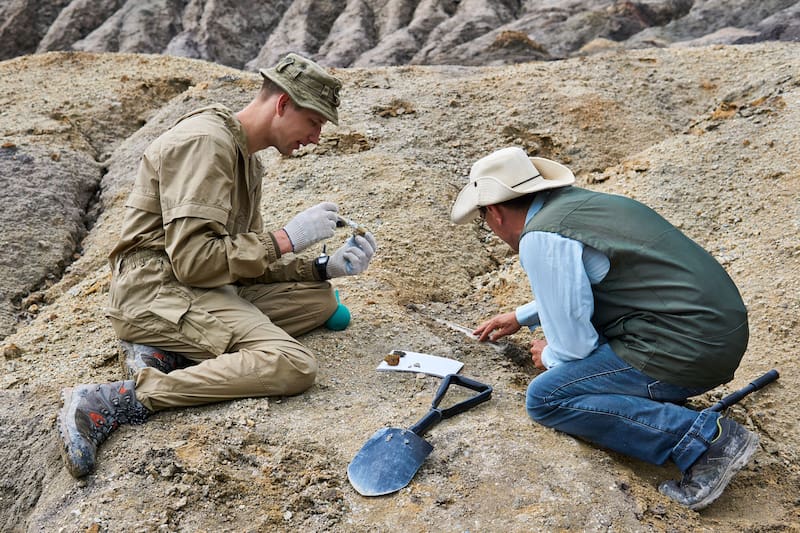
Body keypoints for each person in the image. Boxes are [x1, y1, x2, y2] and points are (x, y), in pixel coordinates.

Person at [57, 53, 377, 478]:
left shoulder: (246, 158)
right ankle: (116, 398)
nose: (316, 137)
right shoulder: (207, 143)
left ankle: (169, 352)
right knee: (292, 364)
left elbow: (242, 260)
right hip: (158, 291)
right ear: (282, 104)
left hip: (196, 286)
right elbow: (194, 263)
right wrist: (286, 238)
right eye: (314, 122)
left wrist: (322, 267)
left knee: (318, 301)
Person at [450, 146, 758, 511]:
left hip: (687, 351)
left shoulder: (540, 237)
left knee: (547, 396)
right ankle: (662, 403)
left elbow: (573, 348)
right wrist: (522, 316)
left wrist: (549, 354)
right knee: (581, 362)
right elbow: (596, 279)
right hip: (717, 333)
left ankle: (707, 440)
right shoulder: (583, 206)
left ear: (496, 212)